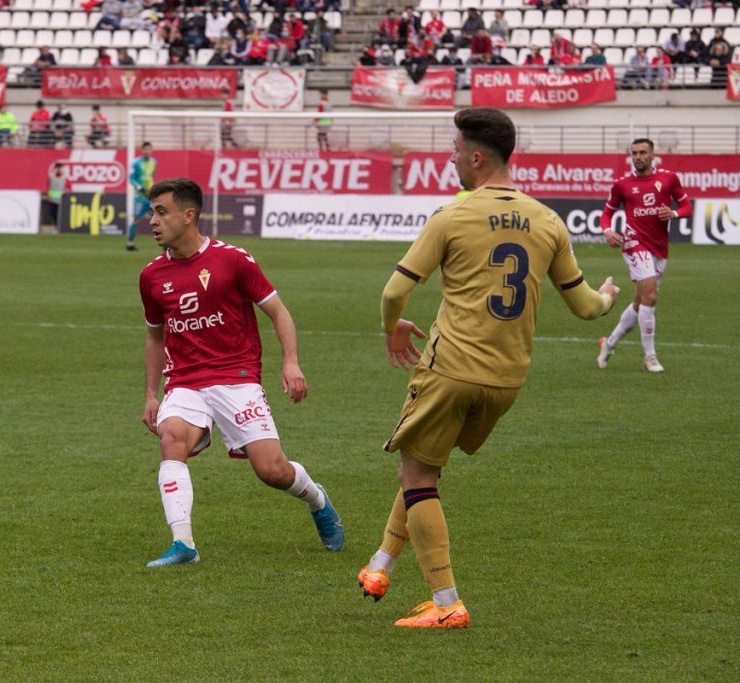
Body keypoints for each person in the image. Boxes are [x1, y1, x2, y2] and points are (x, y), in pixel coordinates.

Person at [357, 107, 620, 628]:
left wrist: (392, 328)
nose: (450, 157)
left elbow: (394, 291)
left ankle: (447, 602)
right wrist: (610, 297)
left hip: (450, 368)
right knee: (422, 466)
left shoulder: (452, 216)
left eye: (455, 149)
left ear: (476, 158)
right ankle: (380, 565)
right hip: (506, 379)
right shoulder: (547, 220)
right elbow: (588, 307)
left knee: (417, 473)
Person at [138, 177, 344, 568]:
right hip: (184, 380)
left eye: (161, 211)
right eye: (151, 212)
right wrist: (152, 394)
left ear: (189, 214)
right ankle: (184, 544)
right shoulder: (151, 276)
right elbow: (154, 337)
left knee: (272, 471)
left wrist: (291, 361)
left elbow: (278, 311)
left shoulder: (232, 260)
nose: (153, 220)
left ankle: (317, 498)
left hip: (236, 377)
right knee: (171, 438)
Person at [596, 138, 692, 373]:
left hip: (659, 247)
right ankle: (650, 357)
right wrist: (607, 231)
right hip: (634, 243)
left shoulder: (668, 178)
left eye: (642, 153)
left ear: (652, 155)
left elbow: (687, 207)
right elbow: (606, 214)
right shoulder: (622, 184)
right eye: (634, 153)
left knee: (640, 303)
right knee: (650, 297)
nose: (638, 157)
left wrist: (674, 214)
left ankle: (608, 344)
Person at [127, 141, 156, 251]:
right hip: (140, 197)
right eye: (145, 149)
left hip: (151, 196)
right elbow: (131, 178)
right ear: (142, 150)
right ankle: (130, 243)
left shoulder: (154, 162)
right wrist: (140, 188)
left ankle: (166, 245)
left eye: (149, 149)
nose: (147, 151)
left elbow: (151, 177)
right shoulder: (136, 163)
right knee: (136, 219)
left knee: (160, 219)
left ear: (151, 150)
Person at [47, 162, 67, 227]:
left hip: (61, 199)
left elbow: (68, 187)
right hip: (52, 199)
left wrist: (65, 192)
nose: (58, 169)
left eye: (60, 168)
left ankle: (59, 226)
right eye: (57, 168)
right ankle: (56, 225)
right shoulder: (51, 176)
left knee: (60, 214)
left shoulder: (64, 177)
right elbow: (48, 185)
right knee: (53, 213)